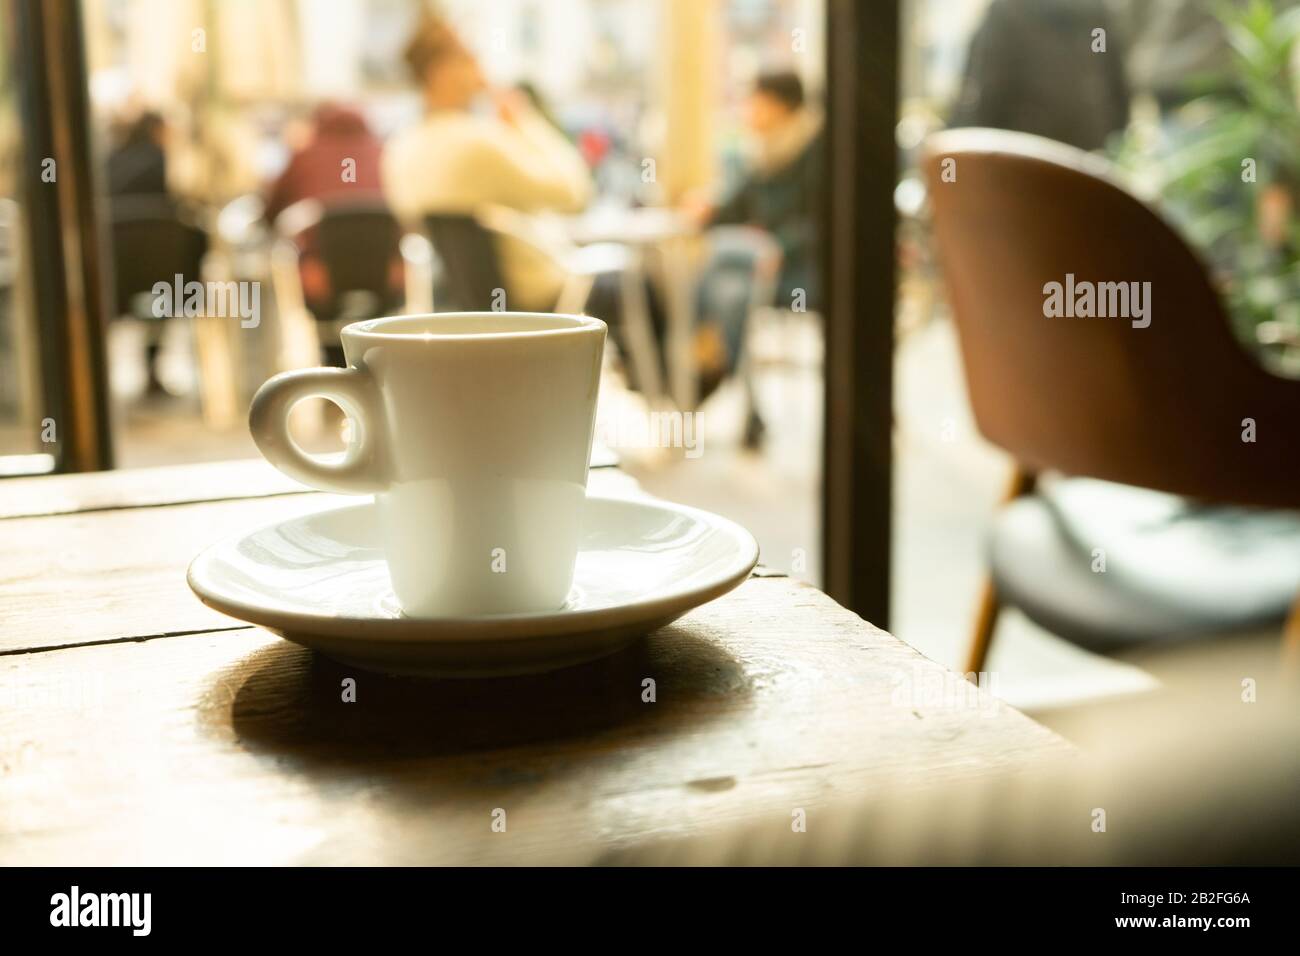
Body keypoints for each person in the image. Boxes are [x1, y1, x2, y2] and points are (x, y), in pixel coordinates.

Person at [382, 14, 592, 312]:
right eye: (471, 57)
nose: (481, 68)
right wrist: (523, 119)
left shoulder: (400, 149)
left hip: (459, 305)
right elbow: (575, 190)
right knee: (636, 287)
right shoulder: (476, 143)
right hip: (538, 298)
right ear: (443, 71)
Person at [685, 70, 823, 432]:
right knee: (731, 292)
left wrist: (781, 248)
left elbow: (824, 221)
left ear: (780, 106)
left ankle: (705, 368)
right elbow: (738, 205)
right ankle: (746, 406)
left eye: (756, 102)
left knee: (720, 258)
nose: (749, 111)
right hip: (757, 267)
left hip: (803, 272)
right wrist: (709, 209)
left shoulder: (817, 149)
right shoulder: (761, 150)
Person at [951, 0, 1130, 152]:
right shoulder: (1097, 12)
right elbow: (1118, 87)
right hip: (1087, 149)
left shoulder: (1006, 10)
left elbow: (985, 93)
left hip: (1023, 149)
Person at [264, 103, 385, 223]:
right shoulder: (382, 155)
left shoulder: (304, 156)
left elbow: (274, 207)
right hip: (383, 237)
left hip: (314, 238)